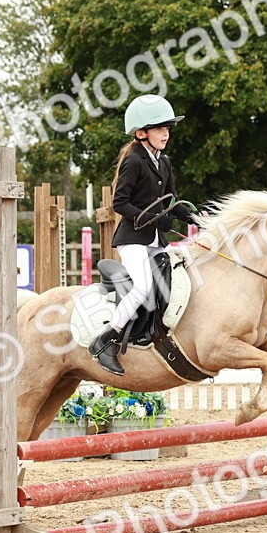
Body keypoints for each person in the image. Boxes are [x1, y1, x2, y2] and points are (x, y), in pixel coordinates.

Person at [87, 94, 198, 376]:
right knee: (142, 287)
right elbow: (120, 203)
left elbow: (171, 201)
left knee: (177, 276)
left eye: (168, 128)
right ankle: (106, 339)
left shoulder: (164, 162)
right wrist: (151, 218)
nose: (166, 133)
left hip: (154, 241)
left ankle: (150, 332)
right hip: (132, 240)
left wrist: (191, 216)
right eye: (160, 128)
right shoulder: (135, 161)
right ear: (141, 133)